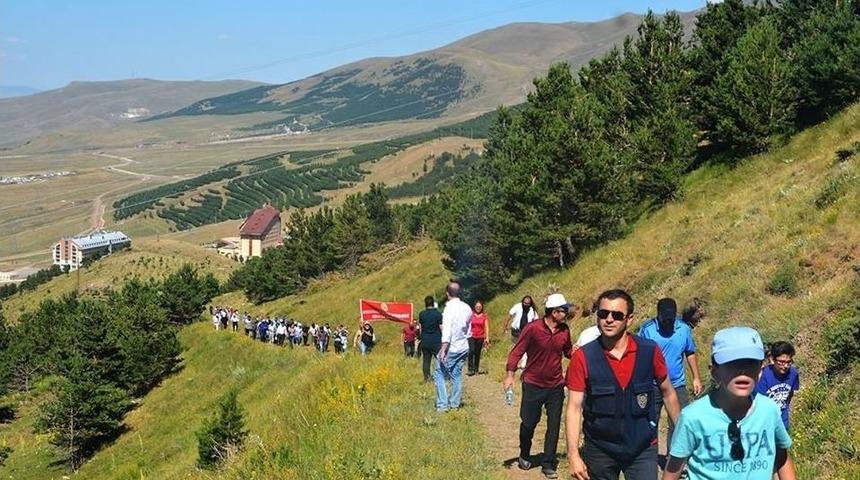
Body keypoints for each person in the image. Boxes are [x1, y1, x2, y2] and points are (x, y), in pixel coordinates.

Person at [566, 289, 681, 480]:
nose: (609, 319)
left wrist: (683, 435)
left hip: (642, 447)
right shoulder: (583, 357)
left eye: (617, 315)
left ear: (629, 319)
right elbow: (573, 408)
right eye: (603, 314)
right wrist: (573, 455)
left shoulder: (649, 351)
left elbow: (668, 393)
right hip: (600, 449)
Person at [663, 327, 796, 480]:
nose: (742, 371)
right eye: (732, 364)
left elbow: (782, 458)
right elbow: (673, 470)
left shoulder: (769, 410)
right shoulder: (693, 417)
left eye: (750, 363)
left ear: (760, 370)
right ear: (714, 371)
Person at [504, 293, 574, 479]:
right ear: (553, 312)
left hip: (556, 385)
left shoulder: (565, 331)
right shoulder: (533, 329)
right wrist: (510, 375)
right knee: (528, 422)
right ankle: (524, 453)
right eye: (563, 310)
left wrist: (584, 357)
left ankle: (548, 463)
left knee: (553, 425)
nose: (566, 313)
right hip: (533, 383)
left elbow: (568, 352)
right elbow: (517, 351)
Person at [638, 297, 703, 455]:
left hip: (677, 384)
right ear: (658, 315)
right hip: (652, 384)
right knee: (650, 421)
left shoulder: (683, 329)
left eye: (671, 318)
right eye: (664, 318)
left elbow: (690, 352)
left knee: (680, 423)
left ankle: (674, 459)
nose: (668, 322)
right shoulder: (647, 330)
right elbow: (638, 356)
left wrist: (696, 377)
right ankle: (649, 457)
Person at [435, 281, 472, 412]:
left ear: (447, 294)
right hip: (463, 346)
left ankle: (442, 405)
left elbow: (447, 331)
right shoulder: (467, 307)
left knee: (439, 373)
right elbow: (468, 330)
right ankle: (455, 404)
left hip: (452, 347)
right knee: (456, 375)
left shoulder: (449, 309)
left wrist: (443, 349)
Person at [755, 341, 800, 431]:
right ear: (772, 359)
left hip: (783, 422)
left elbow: (790, 393)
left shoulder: (793, 374)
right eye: (781, 362)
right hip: (764, 424)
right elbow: (758, 402)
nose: (785, 366)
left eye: (789, 362)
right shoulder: (763, 375)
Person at [419, 295, 443, 382]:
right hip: (436, 340)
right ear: (433, 303)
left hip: (425, 340)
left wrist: (421, 337)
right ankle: (439, 376)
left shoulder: (421, 314)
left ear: (425, 304)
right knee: (439, 359)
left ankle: (427, 378)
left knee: (426, 360)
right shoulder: (438, 314)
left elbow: (421, 328)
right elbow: (441, 327)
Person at [468, 300, 491, 376]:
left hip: (480, 336)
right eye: (477, 306)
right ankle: (470, 369)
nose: (478, 308)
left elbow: (486, 327)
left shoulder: (484, 316)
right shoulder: (471, 314)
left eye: (480, 307)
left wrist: (487, 337)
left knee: (477, 353)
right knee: (471, 351)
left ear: (482, 307)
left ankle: (476, 368)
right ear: (474, 307)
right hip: (471, 336)